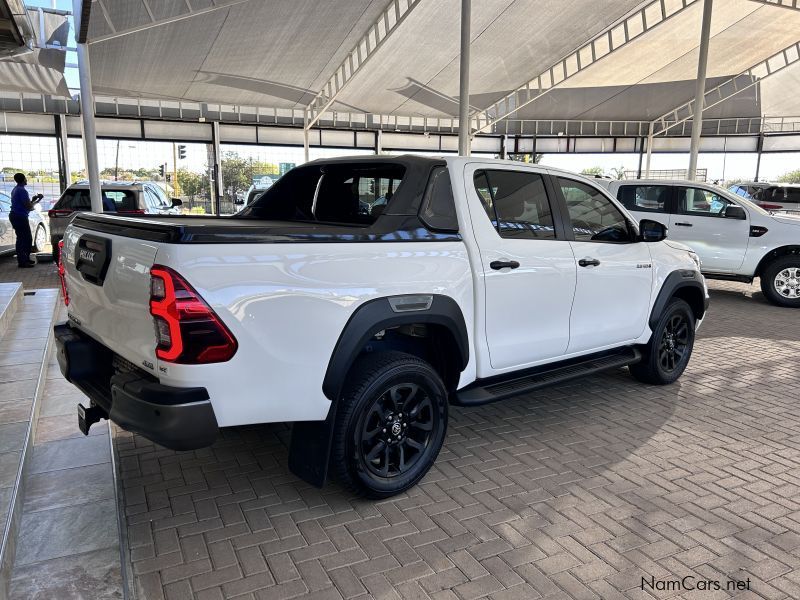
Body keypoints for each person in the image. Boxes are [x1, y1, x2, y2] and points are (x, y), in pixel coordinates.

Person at [10, 173, 43, 268]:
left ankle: (24, 259)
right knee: (25, 239)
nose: (26, 180)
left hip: (15, 215)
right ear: (23, 179)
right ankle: (23, 261)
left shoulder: (15, 189)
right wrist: (38, 200)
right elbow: (29, 207)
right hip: (20, 216)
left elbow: (25, 204)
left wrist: (33, 200)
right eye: (25, 178)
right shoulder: (22, 191)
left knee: (21, 238)